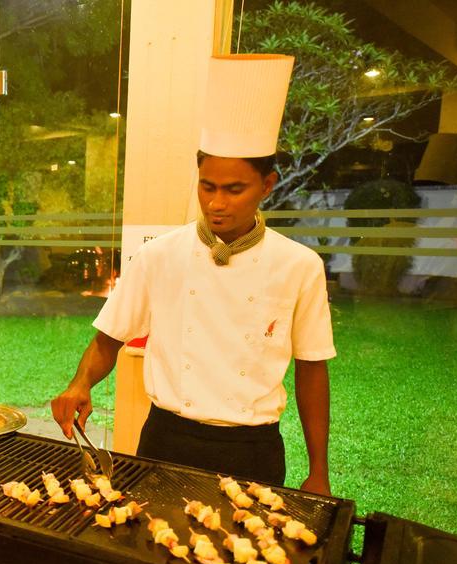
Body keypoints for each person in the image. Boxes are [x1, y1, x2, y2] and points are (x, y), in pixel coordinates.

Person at [51, 54, 335, 496]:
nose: (217, 202)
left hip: (253, 447)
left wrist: (320, 470)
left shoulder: (299, 265)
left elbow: (312, 369)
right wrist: (80, 382)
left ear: (267, 185)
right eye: (207, 186)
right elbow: (109, 338)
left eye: (234, 189)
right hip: (166, 439)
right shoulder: (160, 255)